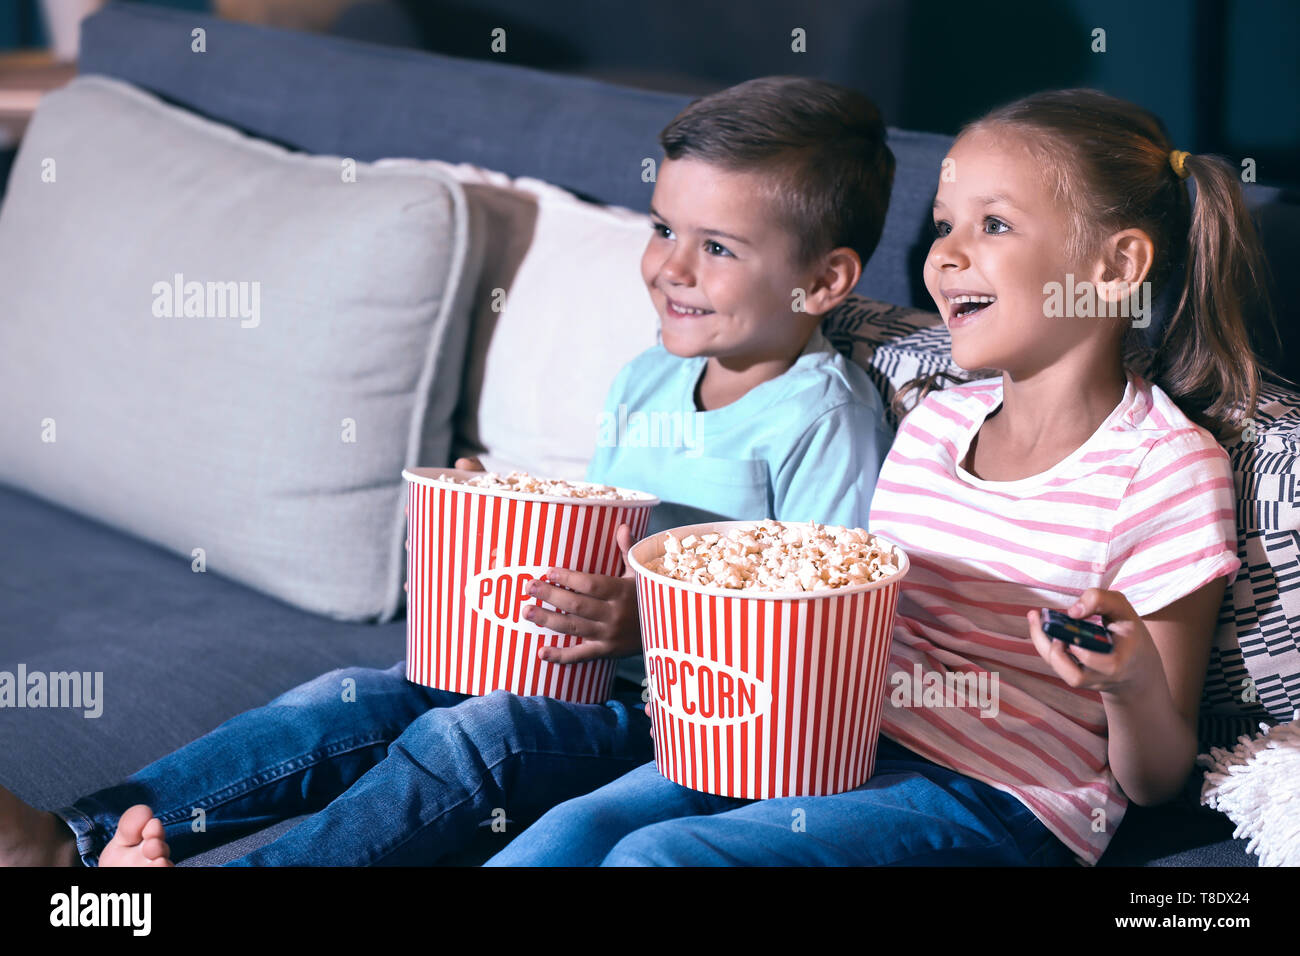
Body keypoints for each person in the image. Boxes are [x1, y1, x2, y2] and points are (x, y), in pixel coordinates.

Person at [0, 76, 895, 867]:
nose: (670, 266)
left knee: (475, 740)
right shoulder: (648, 372)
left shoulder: (825, 417)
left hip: (683, 729)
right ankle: (74, 839)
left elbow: (827, 642)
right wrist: (505, 517)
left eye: (719, 248)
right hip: (558, 668)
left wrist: (650, 625)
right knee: (347, 700)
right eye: (663, 227)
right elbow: (612, 529)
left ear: (821, 283)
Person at [485, 88, 1276, 867]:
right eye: (943, 226)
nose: (946, 254)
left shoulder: (1166, 468)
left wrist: (1131, 680)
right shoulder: (934, 424)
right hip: (832, 742)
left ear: (1116, 265)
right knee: (576, 830)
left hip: (1002, 794)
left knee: (664, 857)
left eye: (992, 225)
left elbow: (1159, 780)